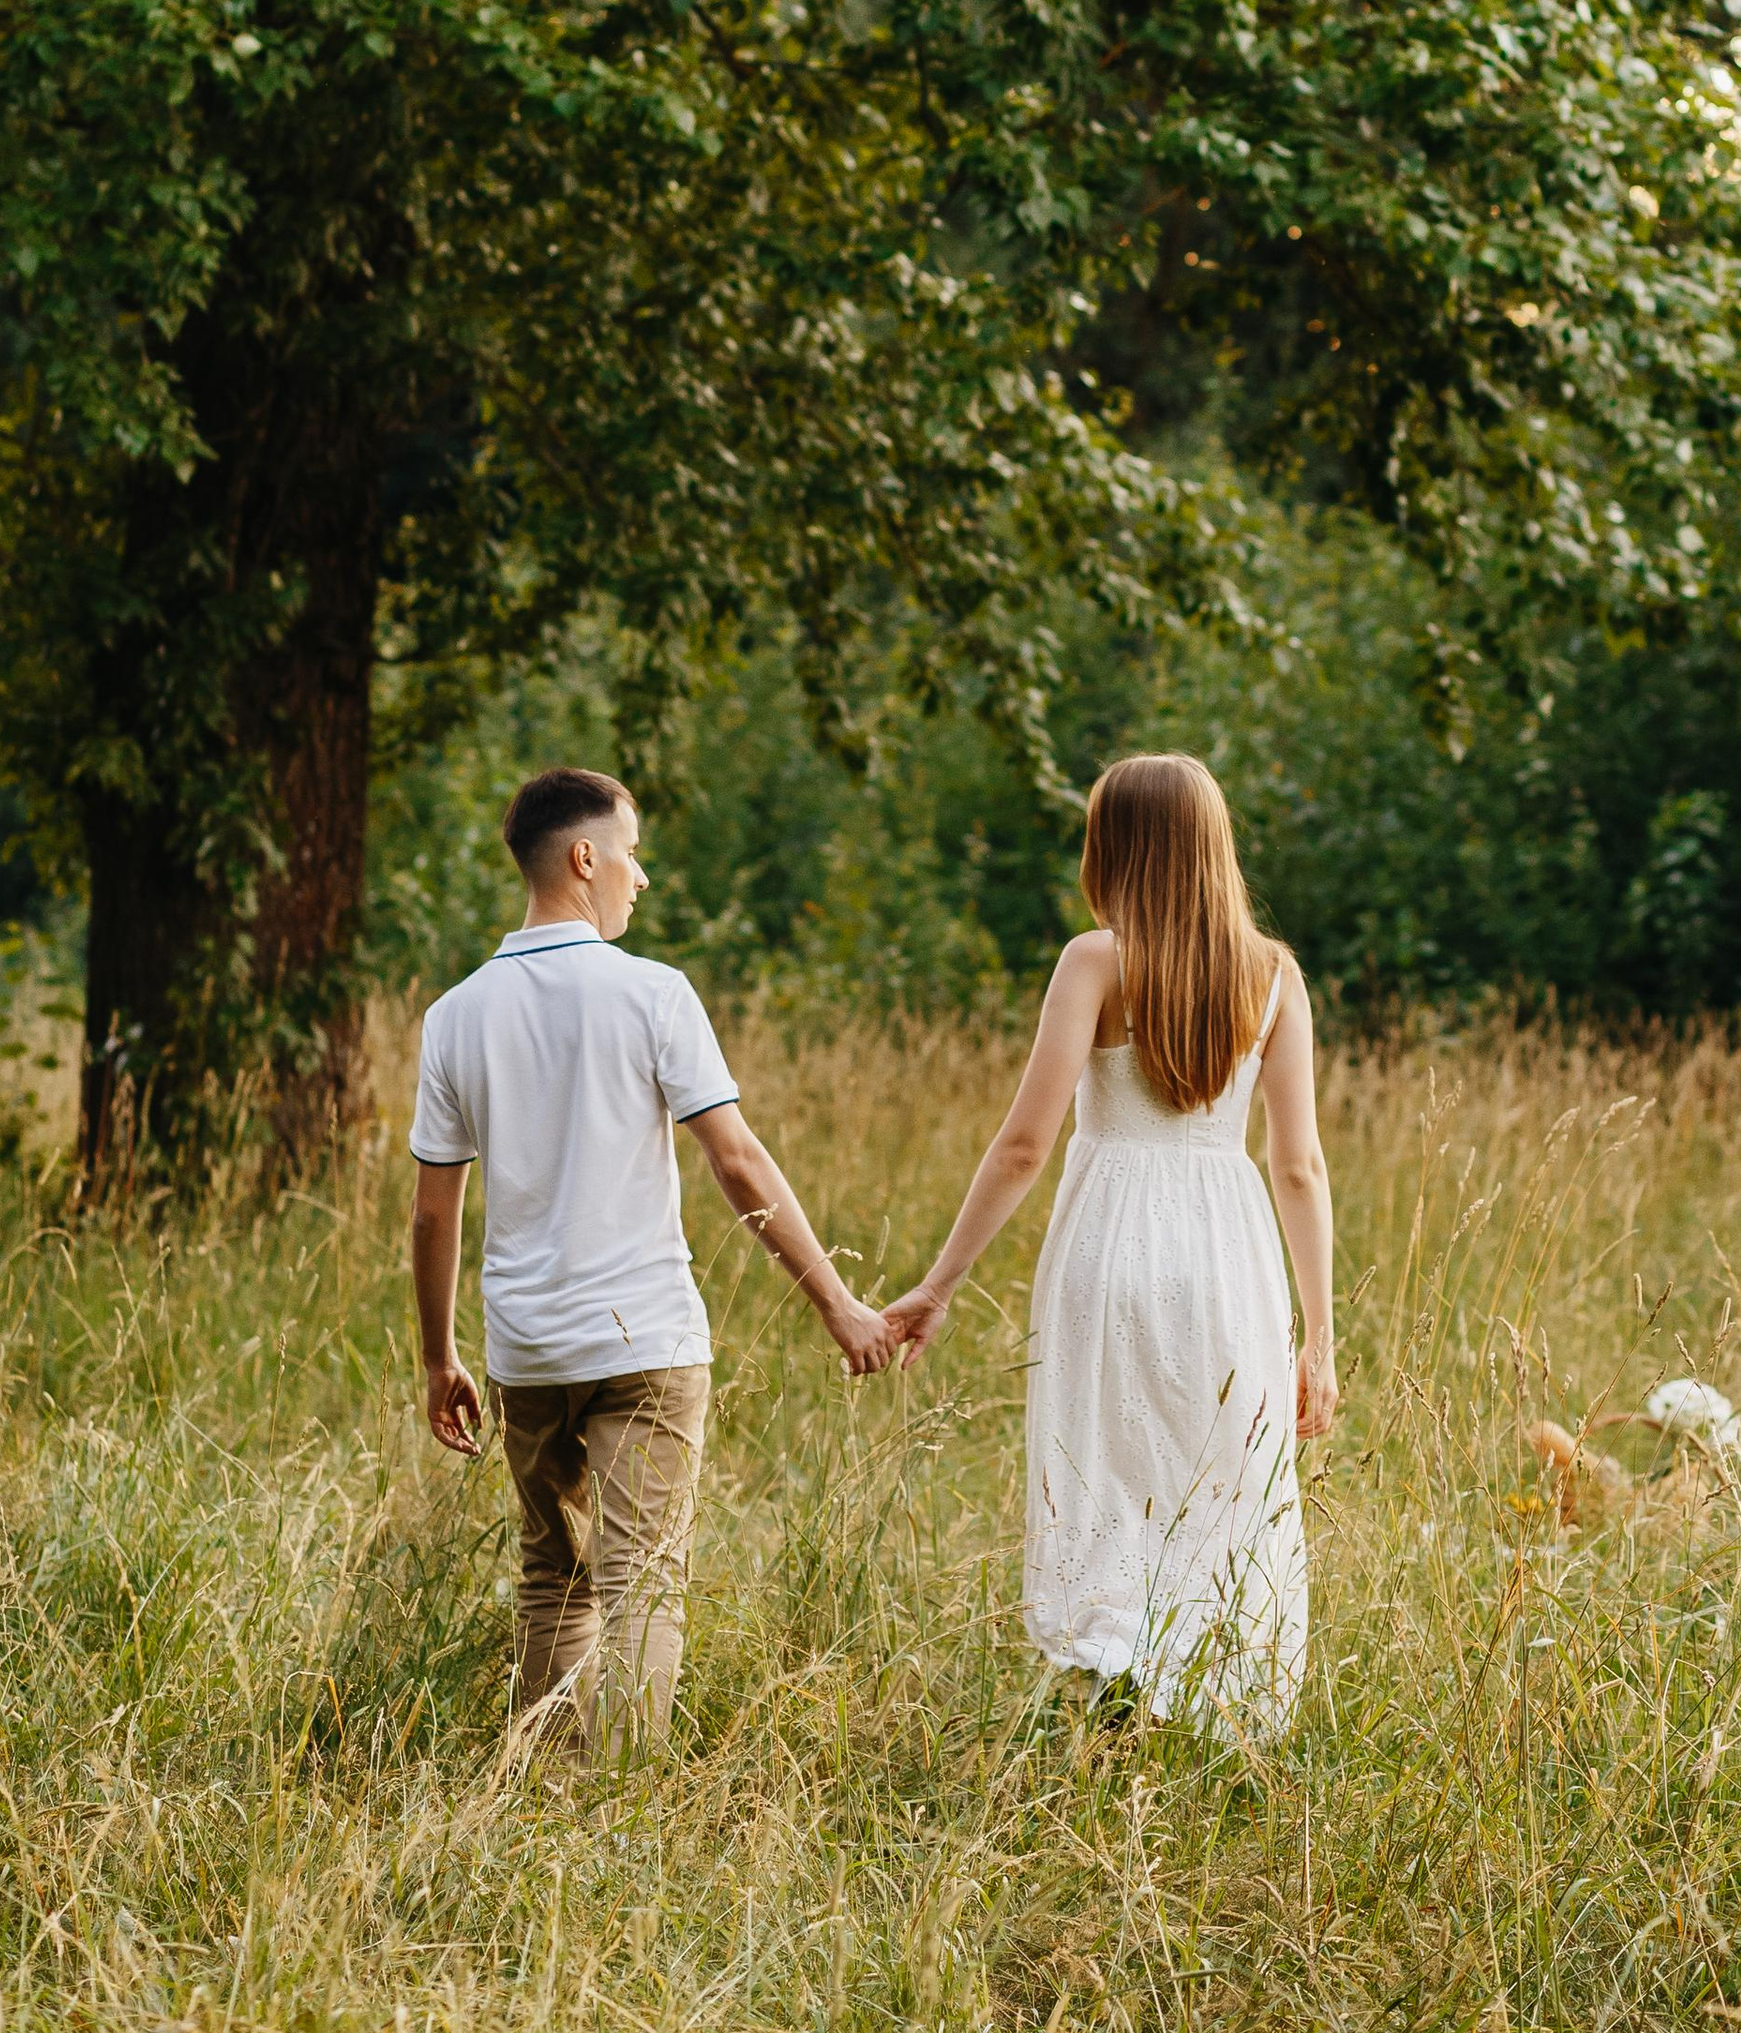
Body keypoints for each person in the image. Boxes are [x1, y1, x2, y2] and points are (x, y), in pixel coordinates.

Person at [409, 763, 894, 1759]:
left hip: (527, 1353)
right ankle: (623, 1807)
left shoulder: (455, 1015)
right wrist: (836, 1303)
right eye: (632, 855)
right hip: (647, 1344)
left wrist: (437, 1356)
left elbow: (431, 1209)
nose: (641, 878)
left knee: (553, 1576)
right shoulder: (653, 995)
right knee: (641, 1580)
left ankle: (542, 1797)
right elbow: (737, 1160)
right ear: (584, 857)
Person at [883, 750, 1338, 1734]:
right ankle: (1215, 1706)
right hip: (1230, 1254)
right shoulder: (1274, 976)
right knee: (1224, 1480)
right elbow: (1297, 1166)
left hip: (1109, 1243)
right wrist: (1320, 1338)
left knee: (1104, 1472)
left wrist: (938, 1284)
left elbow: (1021, 1146)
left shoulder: (1095, 960)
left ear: (1112, 847)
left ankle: (1109, 1692)